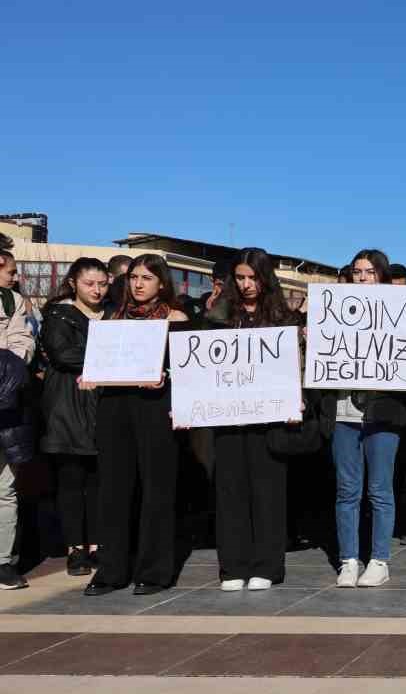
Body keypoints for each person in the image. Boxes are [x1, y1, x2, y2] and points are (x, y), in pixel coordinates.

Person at [85, 254, 189, 595]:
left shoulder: (176, 318)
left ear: (162, 282)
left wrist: (166, 378)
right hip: (116, 410)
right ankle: (111, 570)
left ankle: (154, 571)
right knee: (113, 490)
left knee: (157, 491)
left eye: (146, 277)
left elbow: (188, 373)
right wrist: (91, 376)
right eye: (133, 277)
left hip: (156, 411)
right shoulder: (113, 317)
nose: (138, 284)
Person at [210, 248, 300, 591]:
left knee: (268, 492)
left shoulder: (283, 317)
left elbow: (296, 365)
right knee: (230, 491)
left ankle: (268, 564)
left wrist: (296, 401)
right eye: (240, 277)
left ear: (265, 278)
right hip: (228, 417)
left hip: (270, 418)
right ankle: (232, 566)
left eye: (253, 277)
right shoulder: (219, 315)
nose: (246, 284)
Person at [324, 249, 406, 588]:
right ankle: (348, 560)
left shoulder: (402, 314)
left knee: (380, 490)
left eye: (370, 272)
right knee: (347, 490)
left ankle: (379, 560)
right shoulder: (332, 314)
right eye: (358, 272)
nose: (362, 278)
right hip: (344, 412)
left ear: (382, 277)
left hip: (383, 414)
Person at [37, 258, 110, 578]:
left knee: (99, 480)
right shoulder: (58, 315)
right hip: (67, 407)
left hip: (103, 406)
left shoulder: (114, 313)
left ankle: (97, 543)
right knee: (70, 480)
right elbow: (62, 354)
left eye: (102, 283)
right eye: (89, 284)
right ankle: (74, 548)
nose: (96, 290)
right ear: (73, 284)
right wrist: (111, 355)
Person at [0, 345, 33, 591]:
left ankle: (2, 562)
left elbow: (23, 344)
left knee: (4, 493)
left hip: (7, 426)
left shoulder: (9, 304)